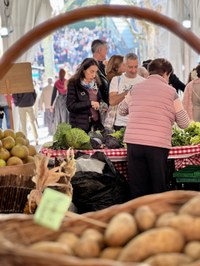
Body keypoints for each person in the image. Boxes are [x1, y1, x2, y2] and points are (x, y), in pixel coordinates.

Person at [119, 58, 190, 199]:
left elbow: (121, 110)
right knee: (158, 187)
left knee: (137, 187)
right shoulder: (171, 93)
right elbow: (184, 123)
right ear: (166, 74)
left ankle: (138, 217)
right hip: (157, 144)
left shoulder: (135, 89)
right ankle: (157, 218)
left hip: (134, 143)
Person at [107, 53, 145, 130]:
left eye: (136, 67)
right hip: (120, 124)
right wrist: (129, 92)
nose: (133, 70)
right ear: (124, 65)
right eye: (130, 67)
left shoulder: (144, 82)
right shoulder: (116, 80)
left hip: (139, 124)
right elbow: (112, 101)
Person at [66, 58, 104, 133]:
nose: (93, 75)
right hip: (80, 127)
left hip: (95, 125)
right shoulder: (73, 84)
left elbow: (99, 99)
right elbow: (70, 106)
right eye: (91, 71)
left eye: (95, 72)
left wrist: (102, 104)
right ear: (83, 70)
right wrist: (90, 103)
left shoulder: (96, 83)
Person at [91, 39, 109, 105]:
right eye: (106, 49)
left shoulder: (104, 65)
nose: (107, 52)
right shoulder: (88, 67)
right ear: (99, 50)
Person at [50, 68, 68, 134]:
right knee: (65, 117)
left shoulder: (56, 83)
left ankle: (59, 133)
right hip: (66, 100)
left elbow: (54, 95)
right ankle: (66, 131)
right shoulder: (67, 81)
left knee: (58, 117)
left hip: (59, 101)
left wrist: (51, 105)